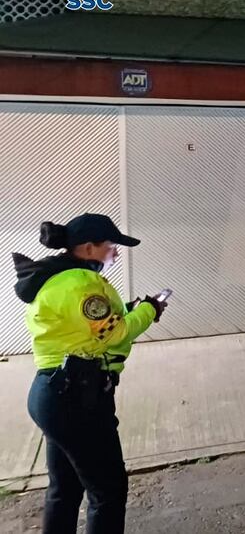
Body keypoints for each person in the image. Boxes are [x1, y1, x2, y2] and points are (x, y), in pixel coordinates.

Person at [13, 213, 167, 534]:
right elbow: (114, 333)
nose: (115, 252)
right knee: (108, 491)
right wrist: (149, 310)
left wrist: (127, 308)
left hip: (55, 394)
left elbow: (87, 328)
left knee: (65, 488)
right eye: (110, 245)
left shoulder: (59, 278)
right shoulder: (81, 284)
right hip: (77, 398)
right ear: (87, 248)